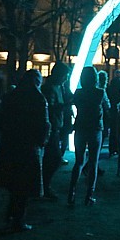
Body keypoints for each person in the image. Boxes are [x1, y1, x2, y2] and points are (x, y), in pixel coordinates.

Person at [0, 70, 50, 231]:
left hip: (11, 144)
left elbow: (2, 120)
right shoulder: (38, 98)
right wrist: (42, 141)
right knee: (24, 184)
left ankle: (10, 214)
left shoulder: (12, 95)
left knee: (13, 183)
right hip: (29, 146)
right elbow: (44, 123)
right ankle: (18, 219)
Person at [68, 67, 110, 206]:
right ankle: (89, 195)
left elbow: (71, 105)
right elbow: (107, 107)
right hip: (95, 128)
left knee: (79, 161)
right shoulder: (100, 92)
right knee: (93, 162)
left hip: (80, 127)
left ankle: (71, 193)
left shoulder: (78, 93)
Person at [40, 62, 72, 199]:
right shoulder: (50, 88)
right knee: (54, 158)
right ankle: (44, 186)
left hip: (56, 126)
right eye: (65, 75)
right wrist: (64, 106)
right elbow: (49, 108)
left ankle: (43, 186)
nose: (66, 78)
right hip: (51, 127)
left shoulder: (59, 86)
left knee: (50, 159)